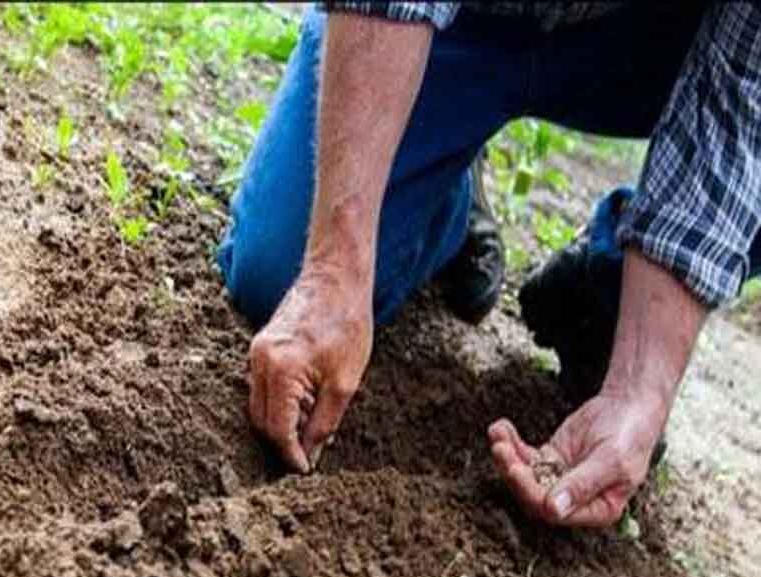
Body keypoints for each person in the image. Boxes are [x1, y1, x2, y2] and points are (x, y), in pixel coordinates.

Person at [217, 2, 761, 529]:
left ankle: (613, 286)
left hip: (648, 41)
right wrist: (334, 271)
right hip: (463, 23)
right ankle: (444, 193)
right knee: (278, 270)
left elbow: (739, 111)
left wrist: (639, 392)